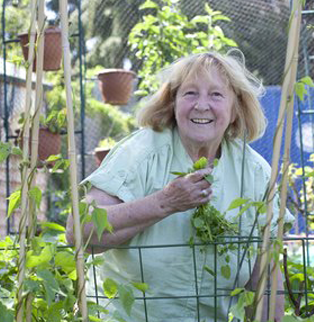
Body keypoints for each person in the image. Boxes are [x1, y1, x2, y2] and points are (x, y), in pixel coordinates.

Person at [66, 51, 295, 322]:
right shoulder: (140, 154)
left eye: (216, 95)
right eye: (190, 94)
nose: (201, 105)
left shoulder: (254, 172)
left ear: (236, 109)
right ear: (173, 103)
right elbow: (79, 230)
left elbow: (264, 277)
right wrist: (164, 202)